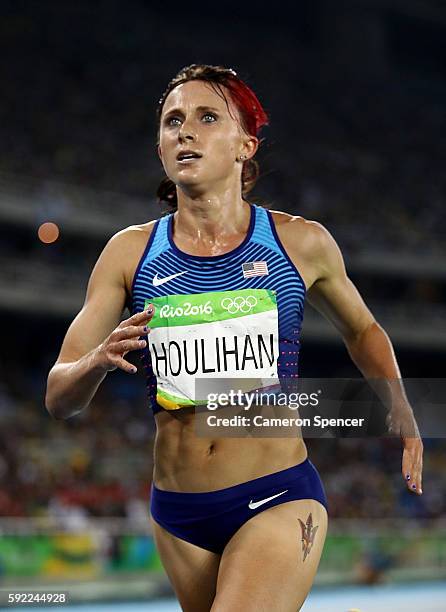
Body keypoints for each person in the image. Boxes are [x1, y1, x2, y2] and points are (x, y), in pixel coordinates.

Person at [45, 64, 423, 612]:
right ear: (160, 149)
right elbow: (59, 396)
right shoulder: (128, 254)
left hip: (278, 494)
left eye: (206, 117)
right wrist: (97, 362)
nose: (186, 131)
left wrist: (400, 407)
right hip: (179, 514)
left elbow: (362, 328)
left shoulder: (300, 242)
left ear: (245, 145)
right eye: (173, 121)